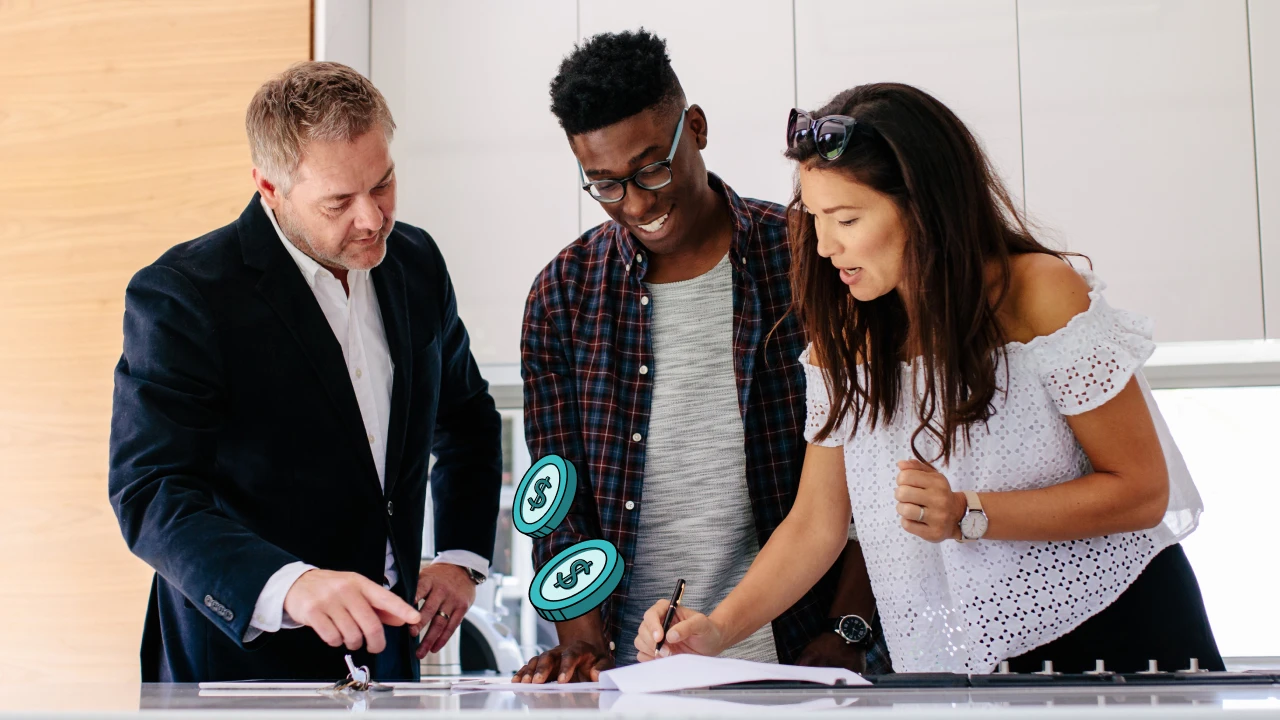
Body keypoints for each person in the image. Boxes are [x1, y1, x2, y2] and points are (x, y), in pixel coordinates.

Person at [634, 83, 1223, 674]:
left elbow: (1144, 491)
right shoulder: (848, 335)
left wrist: (970, 512)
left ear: (922, 206)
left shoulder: (1039, 294)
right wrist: (716, 629)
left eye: (846, 218)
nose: (824, 245)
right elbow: (817, 523)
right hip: (976, 662)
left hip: (1117, 626)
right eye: (814, 218)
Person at [515, 31, 890, 684]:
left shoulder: (812, 257)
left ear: (696, 128)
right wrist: (582, 645)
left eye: (651, 169)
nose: (636, 204)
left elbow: (874, 469)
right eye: (605, 185)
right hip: (644, 671)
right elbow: (558, 499)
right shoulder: (562, 295)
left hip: (805, 655)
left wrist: (847, 631)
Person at [108, 61, 502, 682]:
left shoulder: (417, 261)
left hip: (391, 656)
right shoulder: (183, 295)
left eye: (384, 183)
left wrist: (460, 557)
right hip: (237, 662)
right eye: (339, 202)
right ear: (269, 188)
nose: (372, 219)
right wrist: (290, 585)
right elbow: (151, 490)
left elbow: (467, 416)